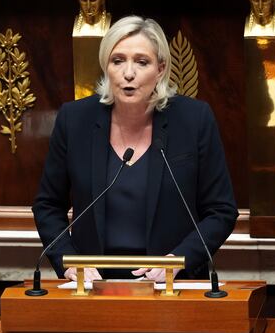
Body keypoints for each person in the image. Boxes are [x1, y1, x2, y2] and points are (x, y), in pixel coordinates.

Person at [33, 16, 238, 282]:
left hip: (171, 284)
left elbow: (221, 210)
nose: (128, 73)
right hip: (93, 286)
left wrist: (179, 260)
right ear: (106, 67)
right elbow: (48, 205)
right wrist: (69, 263)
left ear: (161, 69)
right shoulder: (75, 120)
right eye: (117, 61)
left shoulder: (193, 119)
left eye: (142, 62)